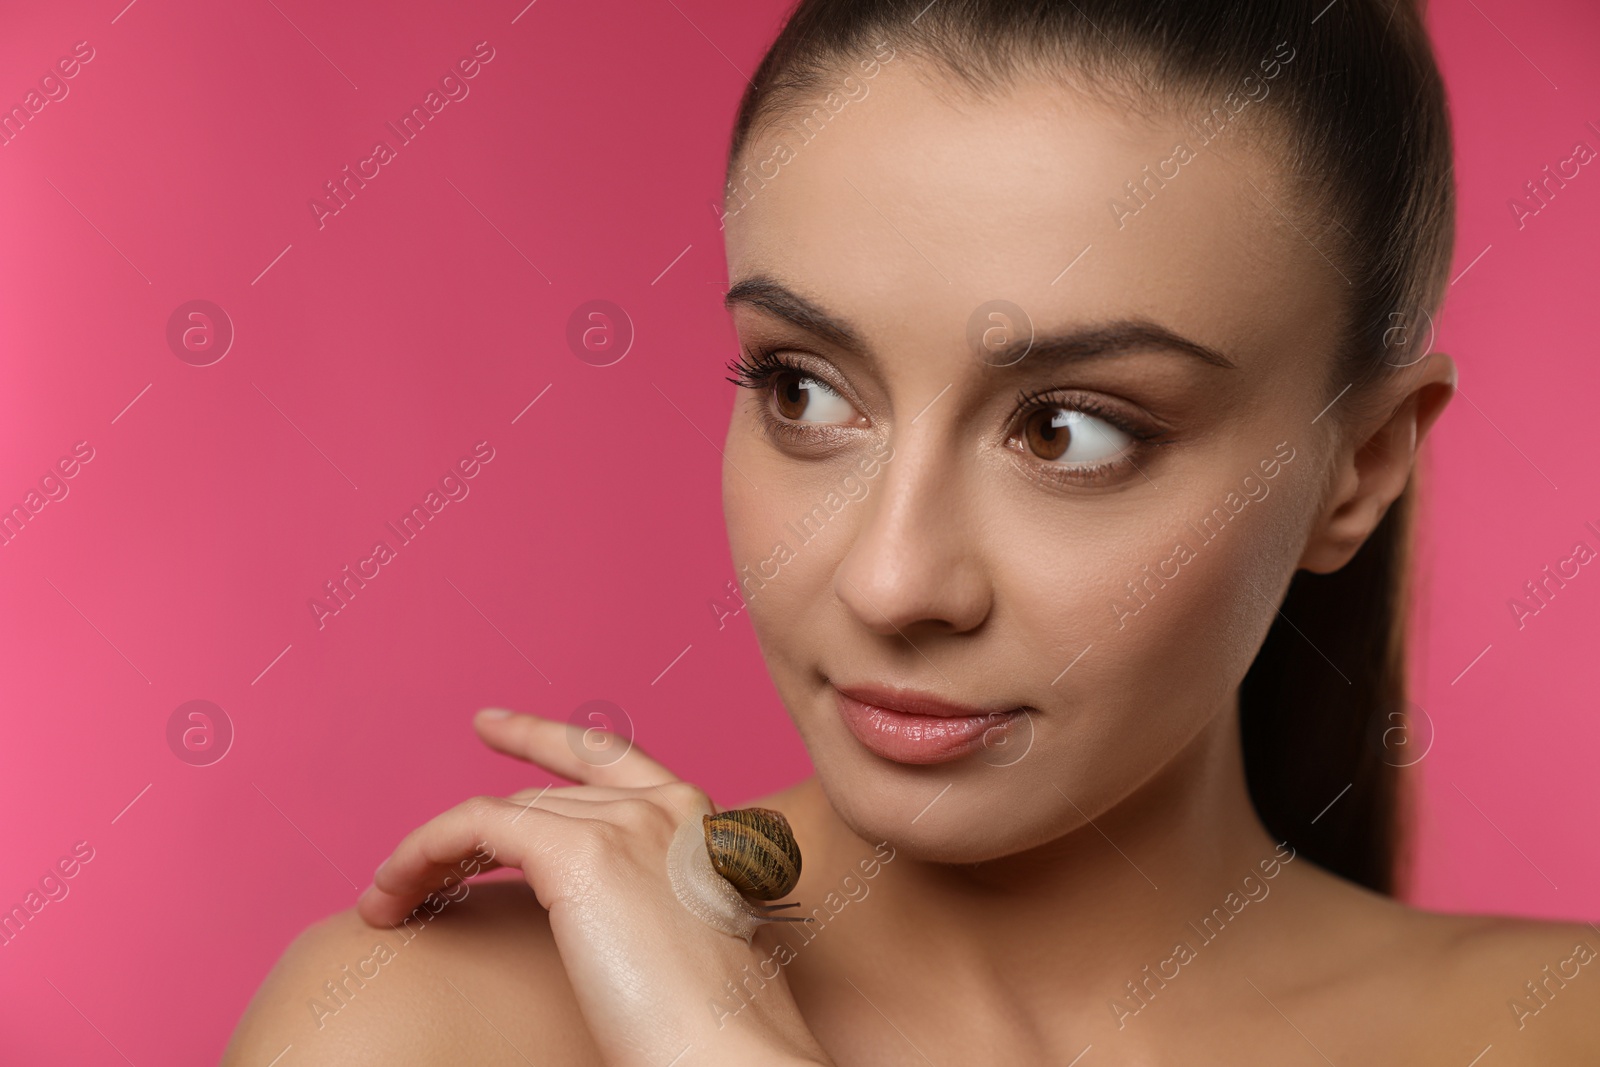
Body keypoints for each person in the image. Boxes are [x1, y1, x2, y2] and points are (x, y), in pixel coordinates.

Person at [222, 0, 1599, 1062]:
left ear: (1358, 466)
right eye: (805, 391)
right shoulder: (427, 1030)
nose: (890, 581)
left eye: (1069, 432)